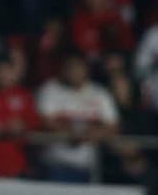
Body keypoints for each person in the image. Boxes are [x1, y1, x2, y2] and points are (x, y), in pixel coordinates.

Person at [37, 52, 118, 183]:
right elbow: (45, 120)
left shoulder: (99, 93)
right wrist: (71, 133)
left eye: (78, 67)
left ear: (86, 69)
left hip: (87, 165)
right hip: (56, 163)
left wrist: (93, 134)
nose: (74, 72)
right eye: (70, 68)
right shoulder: (50, 89)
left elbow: (113, 125)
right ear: (63, 69)